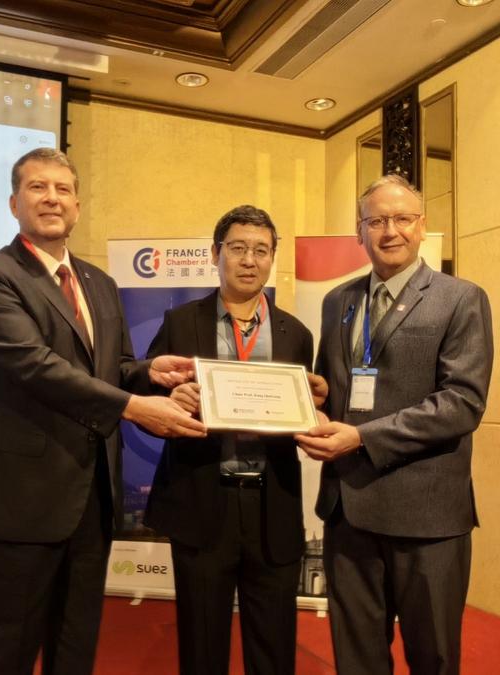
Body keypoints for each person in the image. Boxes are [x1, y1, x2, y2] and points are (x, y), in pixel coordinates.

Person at [0, 147, 207, 675]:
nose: (52, 198)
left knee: (75, 647)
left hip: (92, 498)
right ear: (14, 203)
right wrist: (134, 407)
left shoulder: (99, 283)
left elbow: (113, 366)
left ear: (77, 206)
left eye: (63, 189)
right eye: (38, 187)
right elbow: (36, 367)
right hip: (20, 498)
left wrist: (150, 372)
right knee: (6, 651)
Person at [294, 175, 493, 675]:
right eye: (377, 220)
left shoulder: (460, 298)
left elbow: (462, 403)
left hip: (427, 515)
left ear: (421, 226)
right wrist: (315, 400)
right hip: (348, 510)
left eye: (402, 218)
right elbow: (336, 385)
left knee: (433, 657)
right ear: (359, 230)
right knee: (356, 659)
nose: (390, 231)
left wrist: (361, 437)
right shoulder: (337, 301)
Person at [143, 205, 327, 675]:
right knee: (202, 646)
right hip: (204, 500)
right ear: (215, 253)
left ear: (272, 258)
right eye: (238, 248)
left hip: (272, 506)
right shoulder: (181, 322)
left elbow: (305, 412)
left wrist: (314, 409)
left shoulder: (296, 334)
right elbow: (145, 395)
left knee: (274, 647)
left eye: (261, 250)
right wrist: (172, 398)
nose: (249, 260)